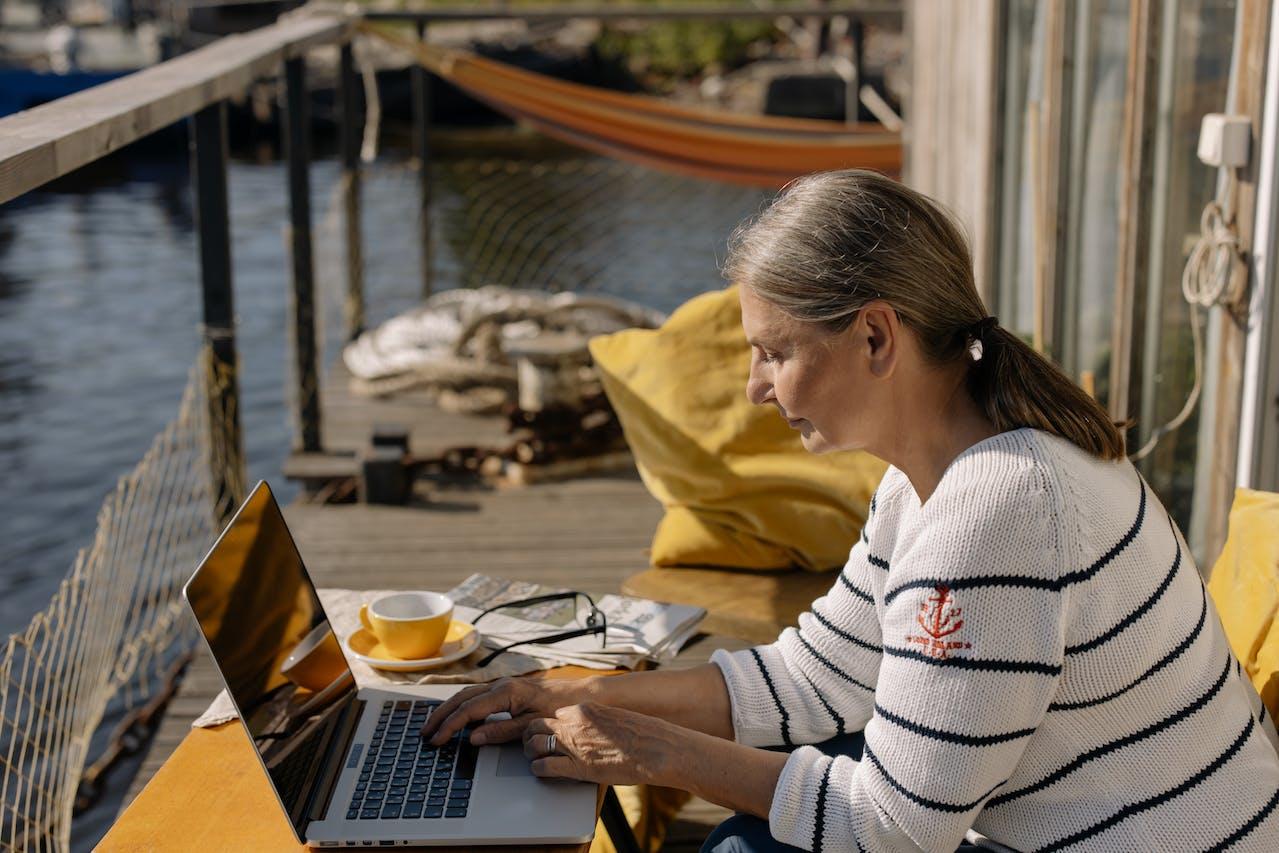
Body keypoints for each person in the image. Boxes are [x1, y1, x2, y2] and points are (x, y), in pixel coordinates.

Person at [421, 170, 1279, 851]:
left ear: (875, 336)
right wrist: (573, 689)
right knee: (765, 813)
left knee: (741, 848)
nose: (757, 386)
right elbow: (819, 675)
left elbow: (893, 830)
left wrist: (647, 750)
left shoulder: (999, 513)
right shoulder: (939, 467)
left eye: (774, 351)